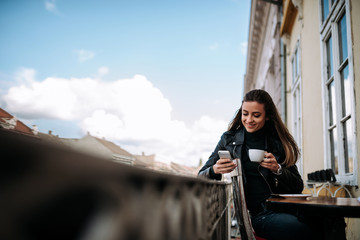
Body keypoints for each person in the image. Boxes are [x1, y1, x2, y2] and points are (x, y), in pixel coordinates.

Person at [198, 89, 319, 240]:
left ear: (267, 116)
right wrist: (215, 169)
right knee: (300, 230)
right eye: (245, 113)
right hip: (258, 215)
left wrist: (278, 169)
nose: (249, 119)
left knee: (330, 221)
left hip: (288, 208)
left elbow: (297, 186)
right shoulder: (229, 140)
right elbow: (201, 175)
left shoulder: (277, 142)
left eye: (256, 115)